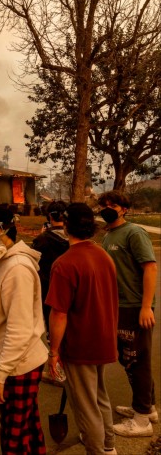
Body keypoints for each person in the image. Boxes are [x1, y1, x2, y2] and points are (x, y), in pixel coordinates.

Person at [0, 205, 48, 455]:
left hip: (21, 364)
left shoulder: (16, 268)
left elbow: (19, 329)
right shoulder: (4, 262)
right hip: (19, 360)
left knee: (13, 434)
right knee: (27, 425)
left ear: (10, 230)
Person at [46, 203, 118, 454]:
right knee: (100, 397)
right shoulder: (104, 256)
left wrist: (53, 351)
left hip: (80, 344)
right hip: (104, 338)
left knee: (86, 406)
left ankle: (97, 450)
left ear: (66, 226)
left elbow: (59, 313)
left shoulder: (65, 264)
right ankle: (109, 446)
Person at [98, 191, 158, 437]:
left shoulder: (134, 233)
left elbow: (151, 268)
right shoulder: (109, 234)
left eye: (113, 205)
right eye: (104, 205)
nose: (107, 208)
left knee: (137, 361)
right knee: (130, 359)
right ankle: (147, 408)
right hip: (118, 306)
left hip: (134, 306)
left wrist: (145, 306)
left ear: (124, 209)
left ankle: (142, 422)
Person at [31, 200, 69, 334]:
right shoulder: (74, 238)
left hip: (48, 290)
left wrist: (41, 236)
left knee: (52, 327)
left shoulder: (42, 240)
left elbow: (34, 261)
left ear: (50, 217)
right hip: (71, 289)